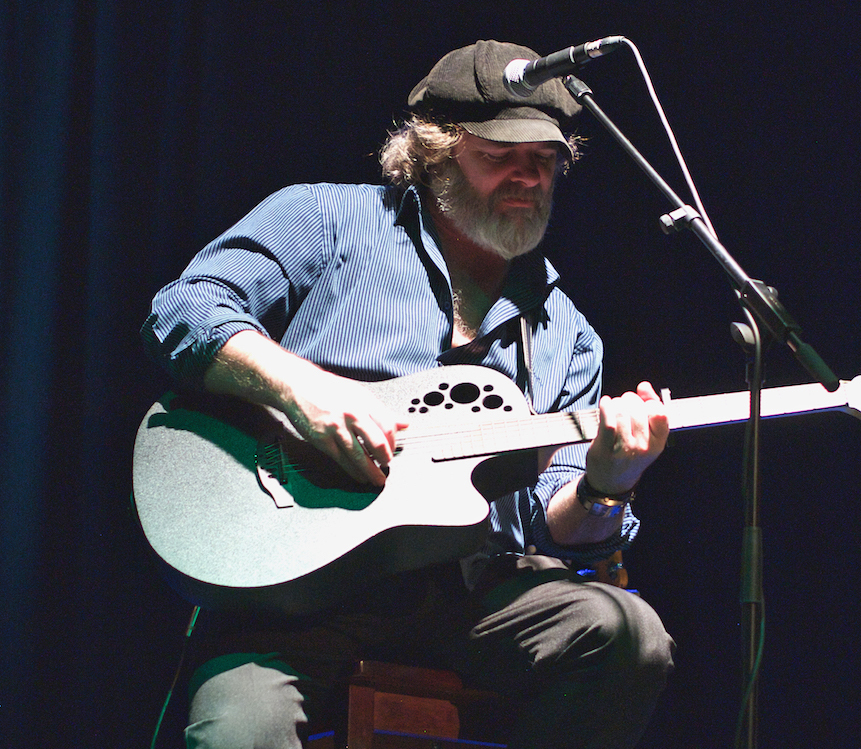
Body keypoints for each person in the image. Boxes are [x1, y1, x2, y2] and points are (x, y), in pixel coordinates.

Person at [142, 40, 675, 749]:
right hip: (298, 587)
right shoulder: (327, 220)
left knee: (629, 634)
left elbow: (561, 525)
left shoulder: (569, 332)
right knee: (240, 732)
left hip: (473, 595)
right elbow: (186, 306)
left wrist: (610, 485)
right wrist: (305, 391)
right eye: (499, 155)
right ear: (436, 153)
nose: (526, 177)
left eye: (542, 161)